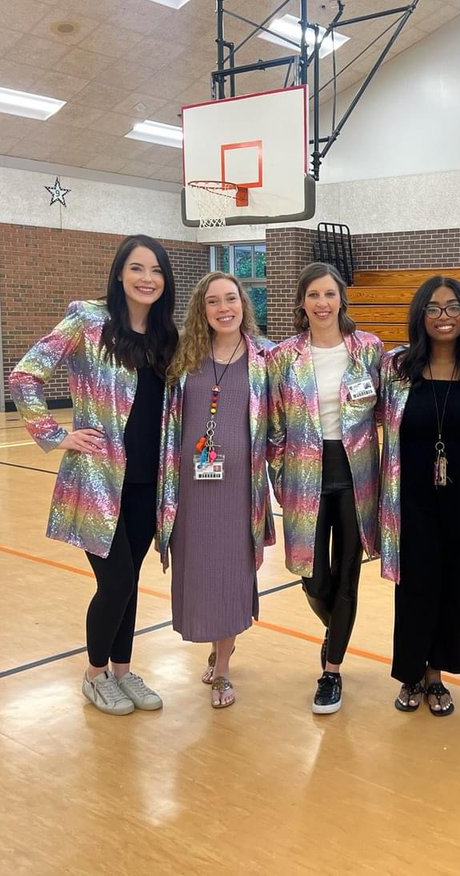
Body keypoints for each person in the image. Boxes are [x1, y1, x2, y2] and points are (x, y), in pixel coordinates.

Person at [10, 234, 178, 716]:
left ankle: (123, 672)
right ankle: (95, 674)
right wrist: (53, 433)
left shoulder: (167, 336)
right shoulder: (89, 320)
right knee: (117, 582)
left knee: (132, 580)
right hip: (97, 479)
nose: (147, 279)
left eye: (156, 271)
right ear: (120, 274)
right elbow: (26, 373)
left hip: (150, 479)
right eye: (138, 269)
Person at [378, 277, 460, 716]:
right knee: (415, 587)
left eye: (453, 307)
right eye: (433, 308)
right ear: (420, 316)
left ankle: (437, 675)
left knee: (454, 586)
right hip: (410, 499)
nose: (444, 316)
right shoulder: (395, 367)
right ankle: (411, 673)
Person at [156, 272, 275, 709]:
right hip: (191, 488)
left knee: (231, 572)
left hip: (240, 489)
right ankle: (216, 643)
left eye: (231, 299)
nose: (224, 308)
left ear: (243, 303)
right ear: (201, 310)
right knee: (200, 571)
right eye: (213, 302)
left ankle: (223, 666)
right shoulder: (183, 356)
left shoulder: (265, 358)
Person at [268, 262, 383, 715]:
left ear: (342, 299)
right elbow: (274, 427)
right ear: (302, 301)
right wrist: (280, 477)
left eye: (329, 294)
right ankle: (336, 629)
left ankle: (331, 672)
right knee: (315, 579)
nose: (322, 303)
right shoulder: (281, 357)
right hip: (304, 478)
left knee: (349, 576)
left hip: (356, 476)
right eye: (313, 295)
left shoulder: (368, 349)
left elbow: (384, 412)